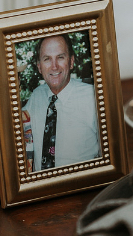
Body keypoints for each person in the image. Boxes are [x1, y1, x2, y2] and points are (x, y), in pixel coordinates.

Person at [23, 34, 100, 172]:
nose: (54, 66)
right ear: (39, 67)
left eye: (60, 57)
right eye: (47, 59)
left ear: (71, 62)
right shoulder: (36, 97)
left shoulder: (94, 97)